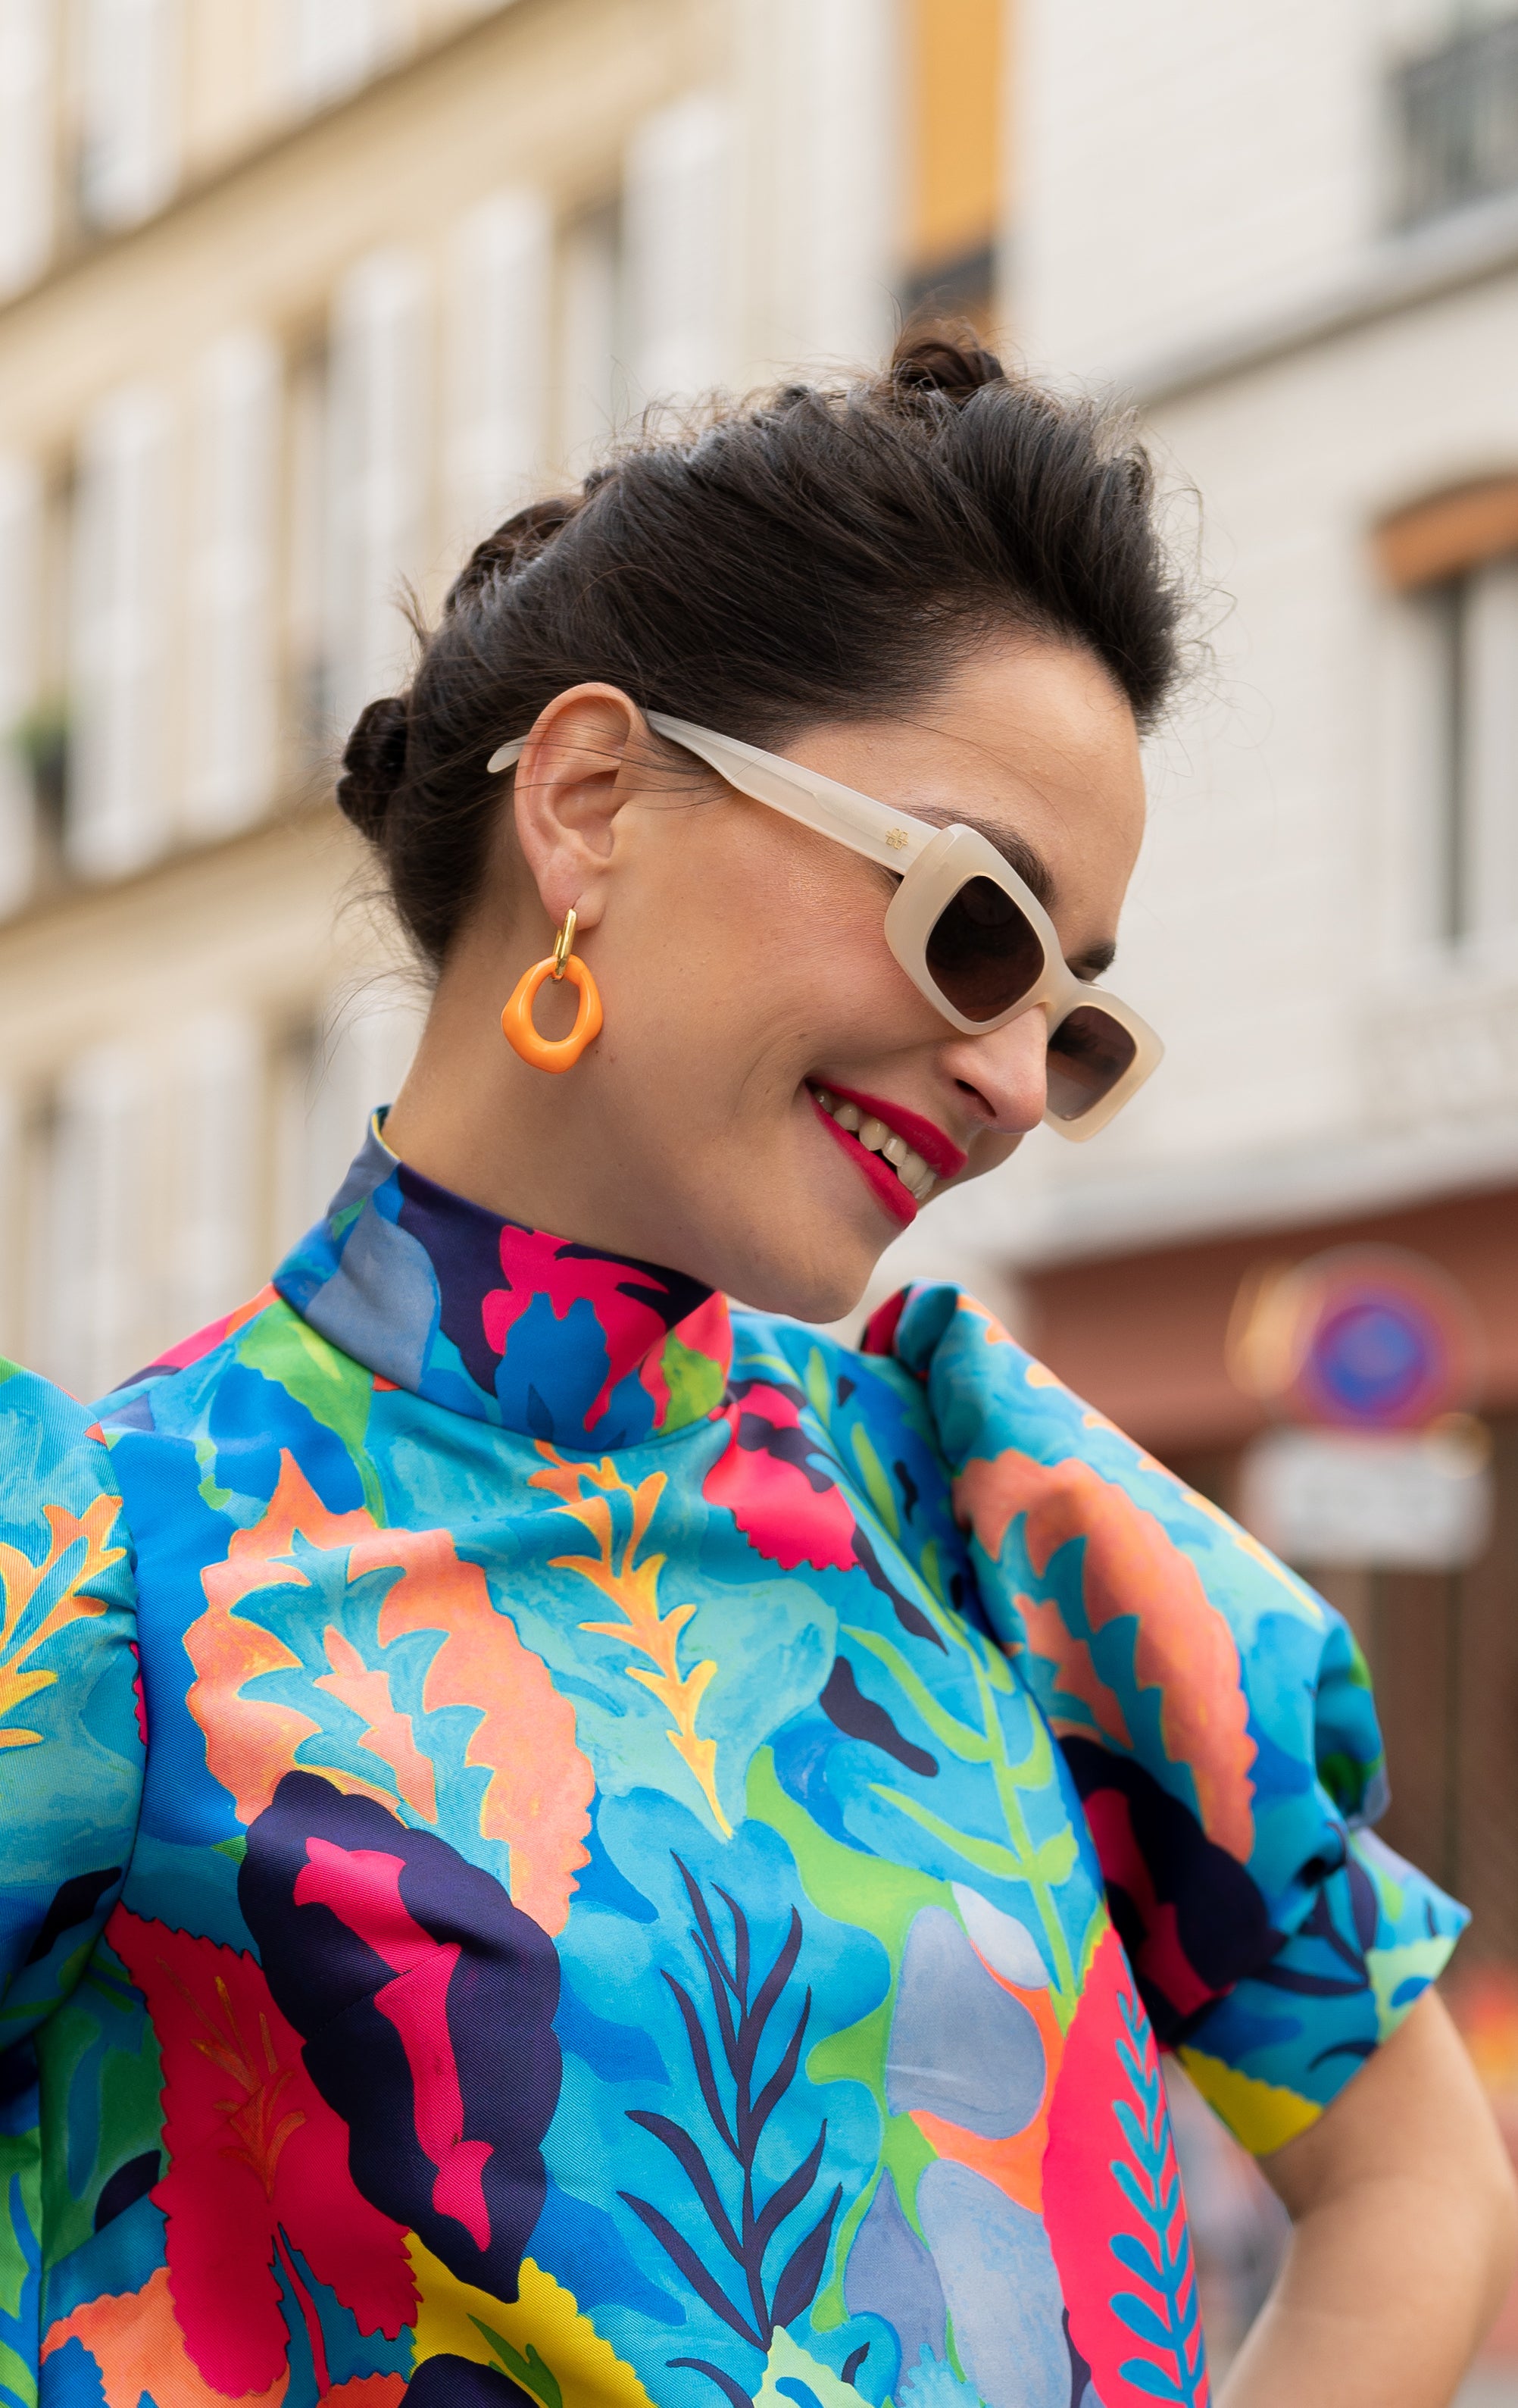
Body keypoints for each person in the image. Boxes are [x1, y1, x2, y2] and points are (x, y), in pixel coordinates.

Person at [2, 332, 1511, 2408]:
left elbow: (1414, 2180)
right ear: (591, 802)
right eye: (972, 922)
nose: (1004, 1077)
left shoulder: (995, 1524)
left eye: (1073, 1016)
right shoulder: (100, 1575)